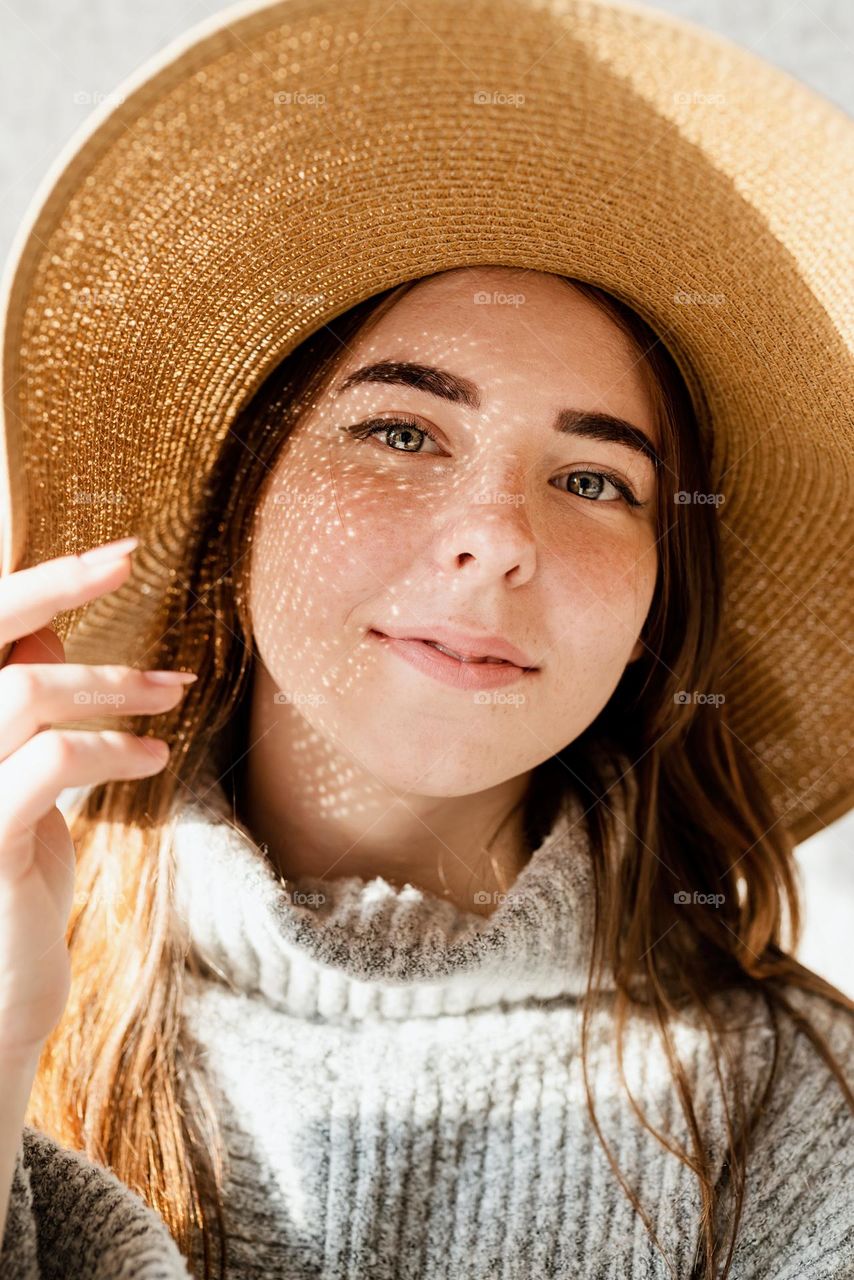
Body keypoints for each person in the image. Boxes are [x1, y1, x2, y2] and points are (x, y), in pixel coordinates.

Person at [0, 2, 851, 1279]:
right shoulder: (21, 974)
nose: (494, 536)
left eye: (596, 480)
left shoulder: (799, 1116)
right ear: (242, 499)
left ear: (650, 616)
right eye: (399, 432)